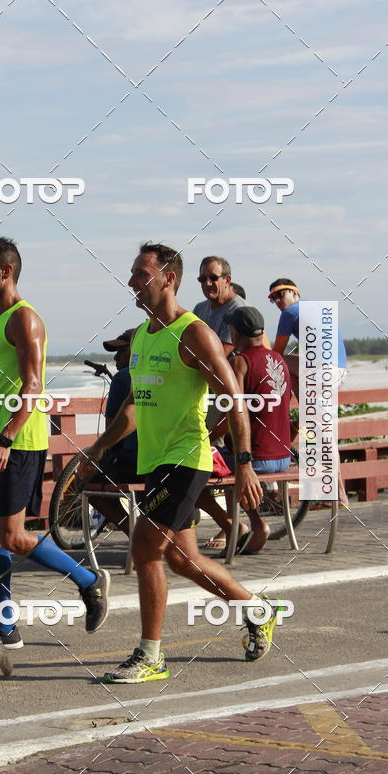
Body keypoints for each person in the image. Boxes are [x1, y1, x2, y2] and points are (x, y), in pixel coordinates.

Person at [79, 242, 281, 684]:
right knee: (182, 560)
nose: (132, 281)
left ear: (168, 278)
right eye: (132, 273)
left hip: (186, 459)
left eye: (140, 274)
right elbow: (132, 408)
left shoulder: (193, 334)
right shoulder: (143, 336)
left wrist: (244, 463)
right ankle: (257, 609)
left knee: (145, 549)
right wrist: (96, 451)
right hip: (156, 461)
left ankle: (151, 655)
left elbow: (233, 398)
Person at [0, 236, 109, 648]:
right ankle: (6, 625)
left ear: (5, 271)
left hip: (18, 442)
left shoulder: (24, 319)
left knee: (13, 536)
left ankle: (89, 581)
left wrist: (7, 438)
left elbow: (33, 386)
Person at [199, 307, 292, 554]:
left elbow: (234, 412)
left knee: (194, 471)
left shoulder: (240, 362)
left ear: (235, 333)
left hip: (255, 458)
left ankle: (245, 524)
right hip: (283, 457)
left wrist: (208, 436)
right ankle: (244, 524)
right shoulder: (279, 360)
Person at [269, 278, 348, 505]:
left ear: (295, 292)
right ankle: (332, 495)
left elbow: (276, 353)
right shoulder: (317, 307)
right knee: (321, 433)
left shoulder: (290, 313)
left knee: (324, 436)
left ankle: (339, 495)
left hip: (322, 372)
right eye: (273, 298)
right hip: (338, 371)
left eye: (280, 295)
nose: (277, 301)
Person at [87, 328, 139, 536]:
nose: (116, 358)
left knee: (90, 485)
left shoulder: (122, 378)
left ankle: (133, 531)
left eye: (121, 352)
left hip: (135, 463)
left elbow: (111, 430)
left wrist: (100, 447)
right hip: (165, 459)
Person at [193, 256, 245, 355]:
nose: (207, 283)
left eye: (213, 278)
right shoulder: (199, 309)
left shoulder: (239, 311)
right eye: (202, 279)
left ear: (227, 280)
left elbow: (220, 354)